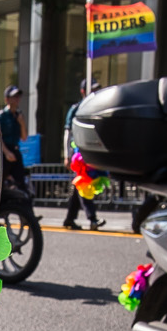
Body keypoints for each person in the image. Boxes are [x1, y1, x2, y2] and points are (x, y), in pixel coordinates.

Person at [62, 80, 104, 230]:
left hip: (91, 151)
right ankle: (92, 218)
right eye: (92, 89)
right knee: (83, 183)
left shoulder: (97, 108)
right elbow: (68, 132)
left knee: (81, 184)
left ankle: (69, 219)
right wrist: (67, 154)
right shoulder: (76, 109)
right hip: (78, 154)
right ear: (83, 91)